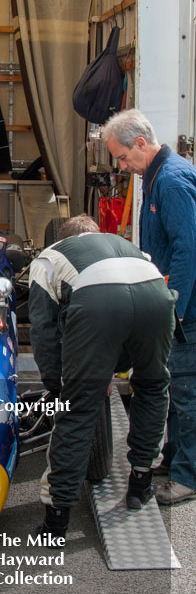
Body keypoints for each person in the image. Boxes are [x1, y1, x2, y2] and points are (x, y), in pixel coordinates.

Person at [28, 214, 176, 541]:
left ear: (59, 240)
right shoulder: (126, 247)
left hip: (100, 303)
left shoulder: (49, 258)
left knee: (78, 411)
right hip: (155, 294)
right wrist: (109, 366)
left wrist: (59, 386)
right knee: (153, 387)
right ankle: (140, 483)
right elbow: (130, 311)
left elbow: (43, 330)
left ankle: (56, 522)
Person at [103, 108, 196, 505]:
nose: (123, 167)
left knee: (188, 391)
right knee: (174, 384)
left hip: (187, 309)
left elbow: (188, 250)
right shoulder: (158, 176)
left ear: (141, 144)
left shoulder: (172, 181)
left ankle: (188, 476)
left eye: (123, 158)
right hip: (177, 302)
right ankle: (175, 459)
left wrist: (172, 306)